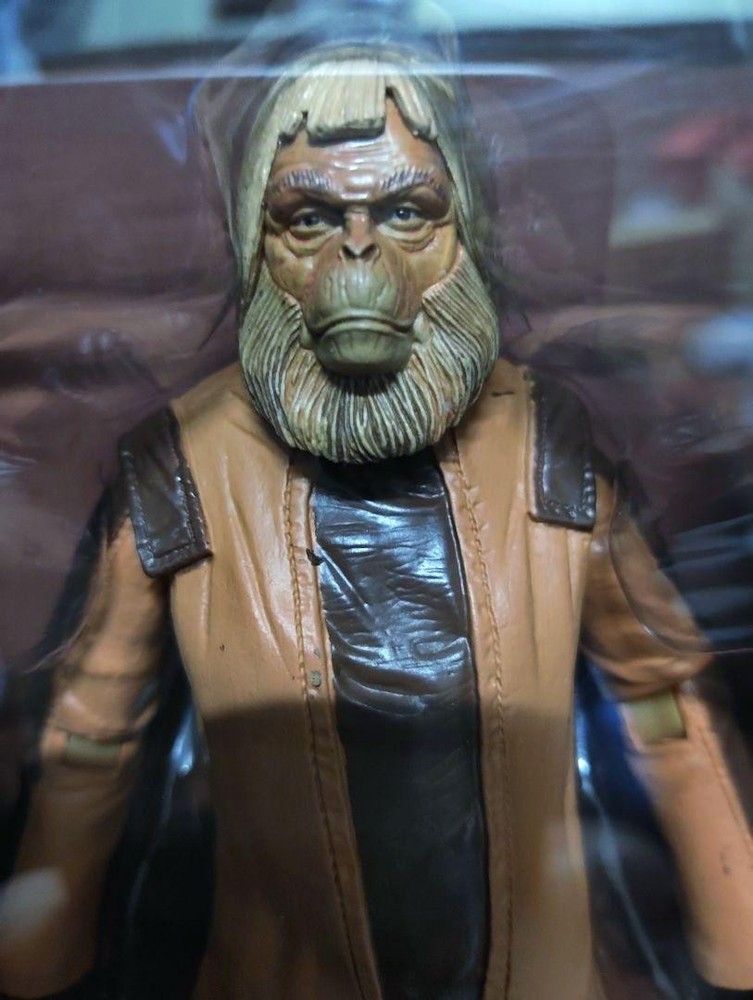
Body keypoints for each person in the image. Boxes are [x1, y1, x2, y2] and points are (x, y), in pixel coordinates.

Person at [1, 46, 751, 1000]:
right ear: (258, 239)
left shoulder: (545, 446)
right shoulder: (186, 464)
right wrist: (42, 947)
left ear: (463, 231)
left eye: (404, 212)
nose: (358, 252)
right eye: (310, 218)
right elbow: (92, 732)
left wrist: (734, 928)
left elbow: (664, 701)